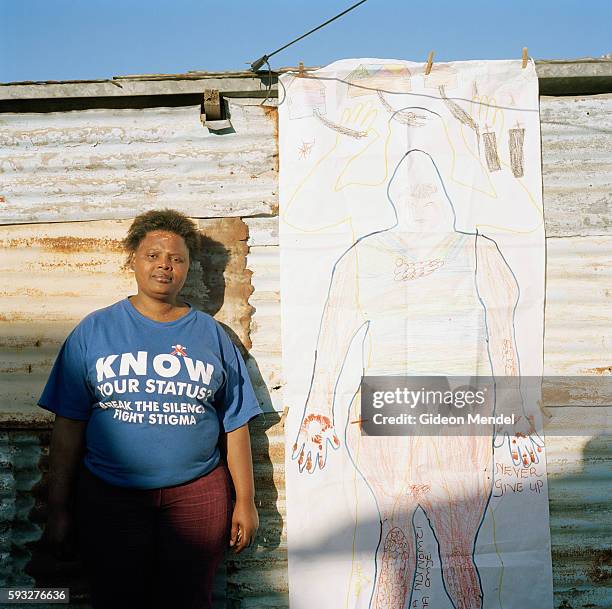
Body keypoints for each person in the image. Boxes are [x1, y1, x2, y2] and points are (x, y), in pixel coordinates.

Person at [38, 209, 263, 609]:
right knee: (116, 597)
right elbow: (68, 426)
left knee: (190, 599)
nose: (165, 265)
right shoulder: (95, 330)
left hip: (196, 496)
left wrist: (245, 501)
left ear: (188, 267)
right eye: (153, 255)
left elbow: (235, 423)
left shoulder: (211, 335)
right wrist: (58, 508)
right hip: (110, 497)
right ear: (134, 261)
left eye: (176, 258)